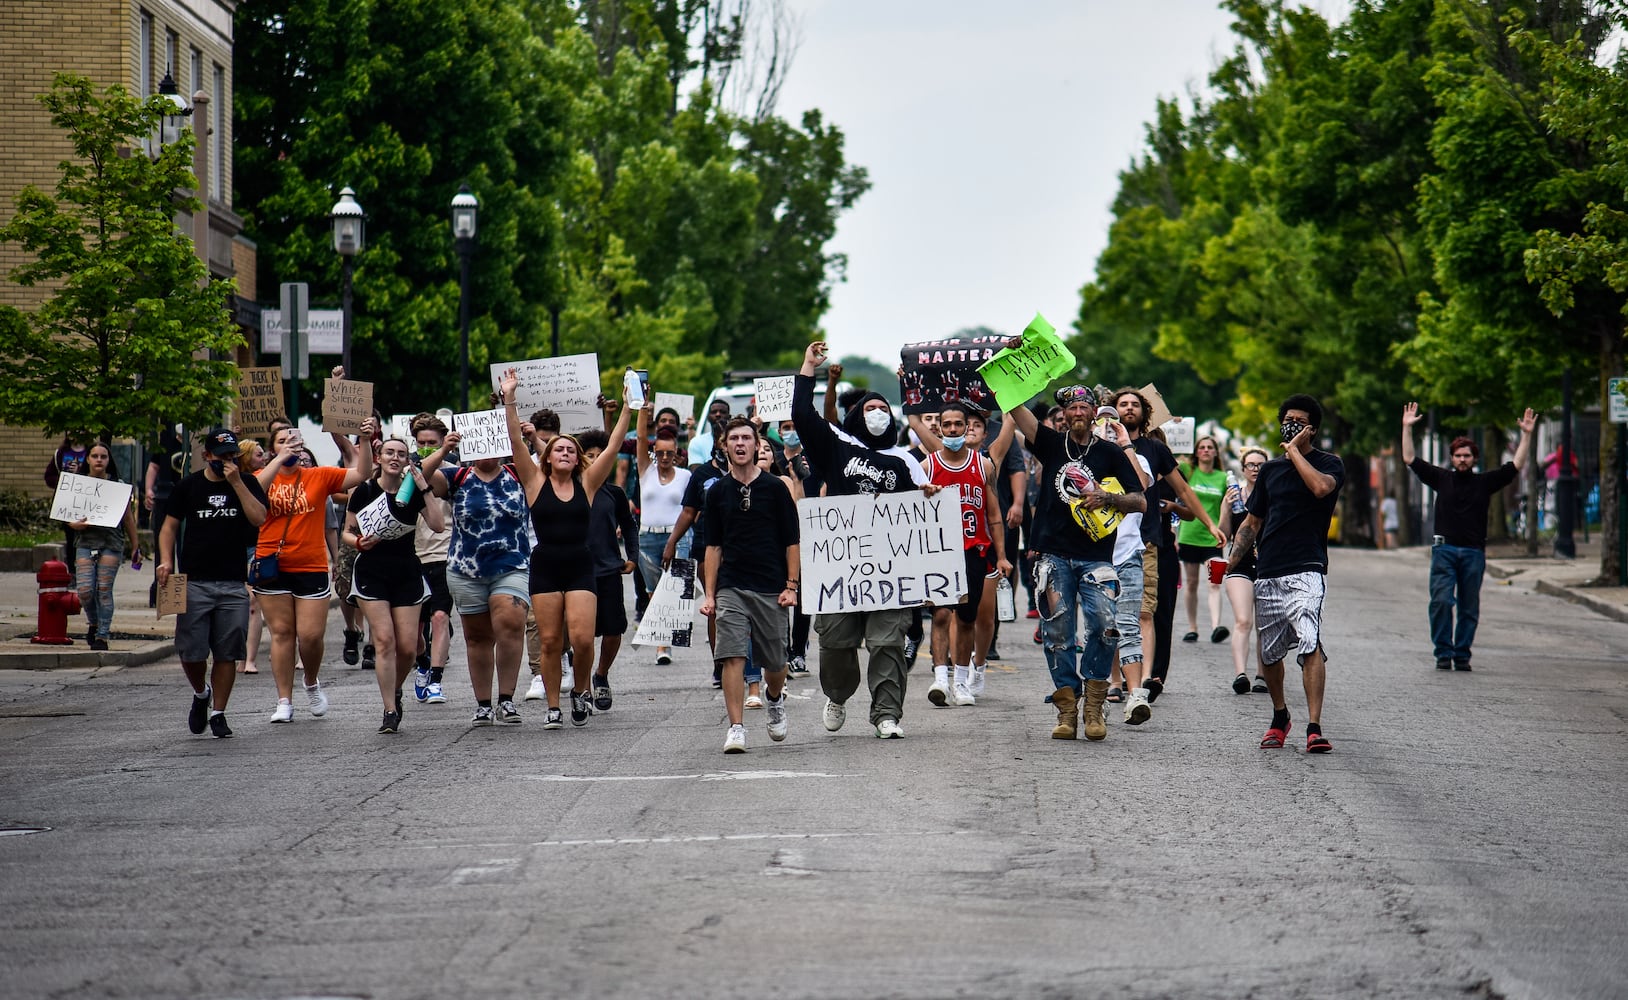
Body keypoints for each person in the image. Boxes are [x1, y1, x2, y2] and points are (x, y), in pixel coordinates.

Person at [792, 341, 935, 739]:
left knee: (887, 641)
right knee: (836, 642)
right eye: (869, 409)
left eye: (882, 409)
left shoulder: (907, 461)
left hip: (891, 571)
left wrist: (928, 499)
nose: (876, 414)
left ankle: (887, 713)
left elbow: (925, 524)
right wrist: (809, 368)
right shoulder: (837, 447)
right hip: (841, 569)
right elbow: (802, 415)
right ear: (856, 416)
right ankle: (837, 694)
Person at [1006, 385, 1145, 742]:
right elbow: (1014, 405)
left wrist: (1107, 497)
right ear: (1064, 415)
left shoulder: (1111, 452)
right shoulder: (1051, 443)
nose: (1078, 412)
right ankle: (1067, 709)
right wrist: (1012, 368)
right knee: (1057, 634)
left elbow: (1141, 500)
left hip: (1096, 556)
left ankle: (1095, 705)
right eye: (1072, 408)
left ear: (1094, 412)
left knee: (1105, 626)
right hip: (1053, 554)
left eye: (1084, 407)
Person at [499, 368, 632, 727]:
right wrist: (509, 397)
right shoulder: (533, 480)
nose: (564, 453)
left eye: (570, 450)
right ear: (548, 455)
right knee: (551, 640)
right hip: (545, 564)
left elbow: (616, 444)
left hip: (579, 563)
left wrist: (629, 407)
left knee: (583, 639)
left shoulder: (587, 482)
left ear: (577, 459)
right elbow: (514, 440)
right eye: (558, 448)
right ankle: (554, 707)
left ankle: (581, 690)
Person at [1226, 395, 1344, 753]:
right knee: (1271, 652)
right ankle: (1280, 716)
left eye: (1299, 420)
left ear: (1313, 428)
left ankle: (1314, 726)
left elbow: (1321, 489)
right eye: (1287, 419)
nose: (1290, 424)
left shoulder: (1329, 464)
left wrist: (1294, 451)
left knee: (1310, 640)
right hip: (1269, 569)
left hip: (1307, 567)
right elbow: (1252, 521)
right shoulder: (1272, 471)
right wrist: (1231, 563)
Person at [1109, 388, 1226, 702]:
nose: (1129, 408)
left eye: (1135, 404)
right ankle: (1114, 681)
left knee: (1143, 612)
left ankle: (1145, 680)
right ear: (1113, 410)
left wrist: (1210, 523)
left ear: (1144, 413)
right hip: (1104, 542)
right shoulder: (1100, 446)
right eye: (1123, 404)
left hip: (1143, 542)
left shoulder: (1155, 449)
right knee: (1110, 615)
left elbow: (1185, 492)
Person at [254, 420, 375, 724]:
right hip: (272, 564)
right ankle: (284, 700)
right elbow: (253, 492)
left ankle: (310, 681)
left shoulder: (318, 477)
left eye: (294, 440)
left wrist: (364, 438)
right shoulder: (261, 477)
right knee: (282, 634)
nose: (289, 444)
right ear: (272, 449)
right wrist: (279, 462)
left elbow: (361, 474)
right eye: (282, 441)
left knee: (310, 636)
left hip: (310, 565)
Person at [1402, 402, 1536, 671]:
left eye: (1467, 455)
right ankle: (1443, 651)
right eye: (1458, 455)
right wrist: (1406, 427)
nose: (1462, 459)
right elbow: (1410, 459)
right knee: (1441, 601)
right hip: (1444, 551)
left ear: (1475, 459)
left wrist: (1527, 434)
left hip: (1474, 553)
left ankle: (1461, 653)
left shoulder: (1484, 482)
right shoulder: (1441, 479)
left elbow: (1516, 465)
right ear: (1452, 458)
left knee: (1468, 606)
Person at [156, 428, 268, 738]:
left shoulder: (247, 482)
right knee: (191, 652)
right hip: (194, 581)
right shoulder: (187, 487)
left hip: (233, 582)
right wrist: (166, 560)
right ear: (207, 456)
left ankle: (219, 712)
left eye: (233, 456)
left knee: (226, 652)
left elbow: (259, 518)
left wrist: (235, 482)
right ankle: (201, 694)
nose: (228, 461)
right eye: (221, 457)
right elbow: (169, 528)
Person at [700, 418, 800, 752]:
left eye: (747, 438)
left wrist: (791, 585)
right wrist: (710, 594)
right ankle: (736, 727)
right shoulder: (716, 492)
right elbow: (712, 547)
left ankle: (773, 699)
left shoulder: (775, 488)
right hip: (732, 585)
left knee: (775, 662)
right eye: (734, 439)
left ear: (757, 445)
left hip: (771, 586)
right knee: (732, 655)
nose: (740, 444)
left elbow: (792, 540)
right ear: (724, 445)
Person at [424, 429, 534, 728]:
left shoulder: (517, 472)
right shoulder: (456, 477)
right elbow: (419, 478)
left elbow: (547, 467)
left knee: (510, 624)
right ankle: (484, 704)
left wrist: (527, 437)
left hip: (512, 564)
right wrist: (443, 449)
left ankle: (507, 699)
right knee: (478, 638)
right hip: (465, 569)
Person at [910, 403, 1012, 708]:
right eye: (947, 425)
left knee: (967, 619)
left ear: (967, 427)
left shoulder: (984, 466)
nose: (953, 430)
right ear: (939, 428)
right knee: (941, 614)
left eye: (958, 424)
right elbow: (911, 514)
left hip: (973, 550)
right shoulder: (927, 465)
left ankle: (962, 681)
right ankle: (941, 677)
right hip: (940, 550)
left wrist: (1003, 555)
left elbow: (994, 515)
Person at [344, 436, 443, 734]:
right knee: (384, 640)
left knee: (409, 648)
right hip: (372, 571)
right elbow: (348, 532)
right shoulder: (364, 490)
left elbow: (438, 525)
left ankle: (396, 688)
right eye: (389, 452)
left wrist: (423, 487)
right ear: (379, 457)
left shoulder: (411, 490)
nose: (395, 458)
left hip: (406, 571)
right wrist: (359, 542)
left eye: (401, 453)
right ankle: (389, 709)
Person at [578, 428, 641, 714]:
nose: (594, 460)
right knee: (582, 634)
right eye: (588, 455)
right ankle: (583, 688)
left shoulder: (614, 494)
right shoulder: (570, 490)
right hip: (578, 573)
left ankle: (601, 674)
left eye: (599, 455)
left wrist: (633, 556)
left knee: (614, 629)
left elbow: (628, 525)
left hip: (609, 570)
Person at [69, 442, 141, 650]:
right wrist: (74, 525)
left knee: (103, 589)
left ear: (109, 460)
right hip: (85, 541)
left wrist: (136, 546)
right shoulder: (79, 485)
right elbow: (68, 515)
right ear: (88, 459)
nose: (99, 460)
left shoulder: (118, 486)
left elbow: (128, 518)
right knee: (84, 590)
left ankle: (102, 635)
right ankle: (93, 622)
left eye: (103, 456)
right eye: (95, 456)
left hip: (111, 542)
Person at [635, 406, 692, 665]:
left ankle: (666, 641)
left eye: (670, 452)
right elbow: (639, 439)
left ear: (677, 454)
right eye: (660, 453)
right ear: (654, 453)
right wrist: (641, 412)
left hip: (677, 536)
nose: (665, 457)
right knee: (653, 593)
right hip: (647, 536)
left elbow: (692, 509)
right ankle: (662, 643)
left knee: (675, 591)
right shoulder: (646, 472)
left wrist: (680, 537)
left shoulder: (685, 476)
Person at [410, 416, 455, 705]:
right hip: (411, 556)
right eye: (421, 443)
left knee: (440, 617)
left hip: (443, 553)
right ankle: (423, 661)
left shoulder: (453, 474)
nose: (426, 448)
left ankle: (436, 680)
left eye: (433, 443)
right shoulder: (405, 471)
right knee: (413, 630)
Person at [1220, 447, 1270, 694]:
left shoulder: (1274, 495)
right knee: (1243, 620)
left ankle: (1263, 675)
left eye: (1260, 465)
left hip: (1268, 565)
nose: (1255, 469)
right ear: (1242, 469)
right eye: (1251, 465)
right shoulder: (1234, 495)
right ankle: (1241, 673)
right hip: (1239, 564)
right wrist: (1225, 509)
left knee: (1264, 623)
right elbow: (1222, 535)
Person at [1178, 435, 1230, 644]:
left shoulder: (1223, 478)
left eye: (1210, 447)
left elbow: (1229, 507)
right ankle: (1192, 627)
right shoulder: (1189, 472)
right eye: (1202, 447)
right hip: (1189, 535)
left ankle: (1216, 625)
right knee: (1191, 583)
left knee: (1214, 583)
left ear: (1216, 452)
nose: (1206, 450)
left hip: (1213, 538)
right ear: (1196, 451)